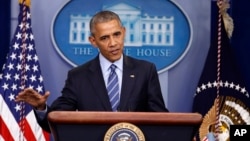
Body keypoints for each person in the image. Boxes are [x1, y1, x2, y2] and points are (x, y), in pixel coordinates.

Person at [15, 10, 168, 132]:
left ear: (124, 32)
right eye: (104, 38)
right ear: (93, 41)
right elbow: (56, 121)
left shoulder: (145, 70)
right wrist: (41, 108)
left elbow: (160, 117)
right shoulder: (78, 76)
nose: (113, 43)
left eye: (116, 34)